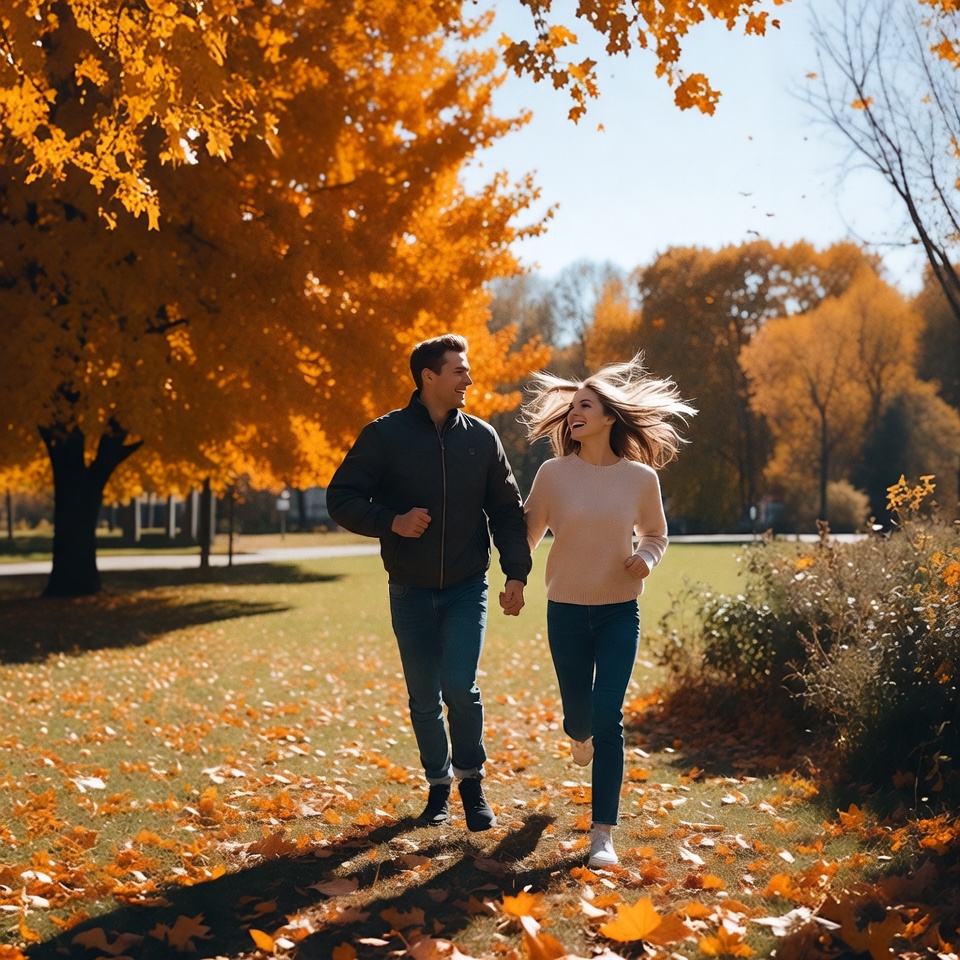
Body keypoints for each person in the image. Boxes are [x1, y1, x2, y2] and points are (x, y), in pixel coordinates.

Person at [326, 333, 531, 832]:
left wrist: (517, 573)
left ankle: (472, 784)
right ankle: (438, 788)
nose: (469, 379)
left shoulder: (481, 437)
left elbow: (506, 510)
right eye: (459, 370)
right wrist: (391, 521)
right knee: (423, 697)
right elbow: (341, 496)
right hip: (410, 589)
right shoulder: (385, 435)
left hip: (466, 586)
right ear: (429, 377)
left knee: (459, 685)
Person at [520, 355, 695, 868]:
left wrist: (644, 557)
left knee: (608, 716)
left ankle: (603, 836)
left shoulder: (640, 478)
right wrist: (514, 578)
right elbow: (527, 536)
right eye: (572, 407)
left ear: (608, 417)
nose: (574, 414)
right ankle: (578, 736)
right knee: (580, 718)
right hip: (566, 611)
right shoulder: (553, 474)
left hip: (620, 611)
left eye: (585, 406)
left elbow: (657, 534)